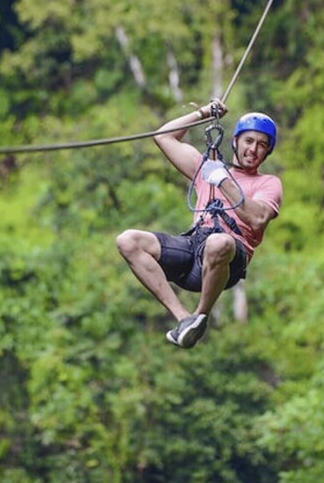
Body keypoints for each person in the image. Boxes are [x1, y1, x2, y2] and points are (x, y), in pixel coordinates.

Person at [116, 98, 283, 349]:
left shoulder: (268, 183)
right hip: (194, 248)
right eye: (249, 141)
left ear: (267, 152)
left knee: (219, 242)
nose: (253, 149)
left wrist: (222, 180)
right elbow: (163, 137)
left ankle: (201, 314)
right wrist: (203, 113)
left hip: (229, 257)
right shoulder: (206, 167)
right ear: (235, 141)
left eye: (262, 145)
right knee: (128, 241)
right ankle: (185, 319)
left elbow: (257, 219)